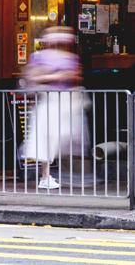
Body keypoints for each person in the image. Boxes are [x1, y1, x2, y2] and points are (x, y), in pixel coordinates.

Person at [21, 26, 87, 190]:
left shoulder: (70, 57)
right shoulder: (39, 57)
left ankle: (72, 173)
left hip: (66, 102)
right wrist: (56, 75)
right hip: (48, 101)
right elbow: (32, 77)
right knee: (47, 138)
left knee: (68, 137)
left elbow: (76, 76)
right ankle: (46, 175)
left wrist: (59, 76)